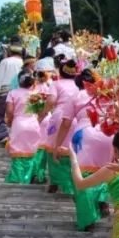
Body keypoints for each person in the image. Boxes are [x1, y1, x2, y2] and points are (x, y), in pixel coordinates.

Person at [53, 72, 110, 231]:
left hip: (86, 134)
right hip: (109, 134)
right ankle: (101, 198)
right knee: (104, 171)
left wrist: (57, 146)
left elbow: (65, 124)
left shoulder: (76, 96)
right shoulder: (108, 93)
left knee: (83, 175)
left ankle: (87, 219)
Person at [44, 60, 80, 194]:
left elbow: (52, 100)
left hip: (59, 116)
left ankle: (55, 182)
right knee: (71, 149)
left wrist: (44, 111)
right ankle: (71, 183)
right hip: (76, 118)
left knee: (53, 146)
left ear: (61, 71)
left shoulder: (56, 84)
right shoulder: (78, 86)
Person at [3, 73, 41, 183]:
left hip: (19, 124)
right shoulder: (36, 94)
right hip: (33, 124)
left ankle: (16, 179)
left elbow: (9, 111)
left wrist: (9, 121)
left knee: (17, 153)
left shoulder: (13, 93)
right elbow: (40, 110)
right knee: (30, 153)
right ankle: (27, 178)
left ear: (20, 82)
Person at [0, 43, 23, 144]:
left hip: (6, 91)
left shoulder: (5, 61)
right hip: (21, 92)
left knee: (0, 114)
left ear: (10, 52)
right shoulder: (24, 62)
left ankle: (3, 136)